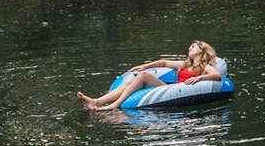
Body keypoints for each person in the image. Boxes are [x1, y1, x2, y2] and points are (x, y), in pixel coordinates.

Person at [77, 40, 222, 109]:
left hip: (176, 90)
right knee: (130, 83)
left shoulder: (205, 67)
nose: (189, 48)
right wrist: (145, 66)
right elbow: (164, 63)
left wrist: (199, 77)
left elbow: (217, 76)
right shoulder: (185, 64)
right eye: (190, 46)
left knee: (143, 76)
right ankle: (96, 102)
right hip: (169, 87)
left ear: (202, 51)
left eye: (193, 46)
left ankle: (114, 105)